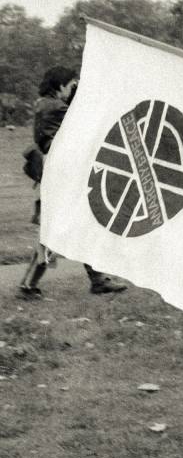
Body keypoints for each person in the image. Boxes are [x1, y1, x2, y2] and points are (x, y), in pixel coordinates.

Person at [17, 66, 127, 300]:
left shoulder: (46, 104)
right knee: (52, 238)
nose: (72, 90)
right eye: (71, 85)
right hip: (61, 182)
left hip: (58, 179)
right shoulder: (54, 107)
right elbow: (82, 129)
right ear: (60, 86)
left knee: (81, 228)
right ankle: (27, 287)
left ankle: (98, 280)